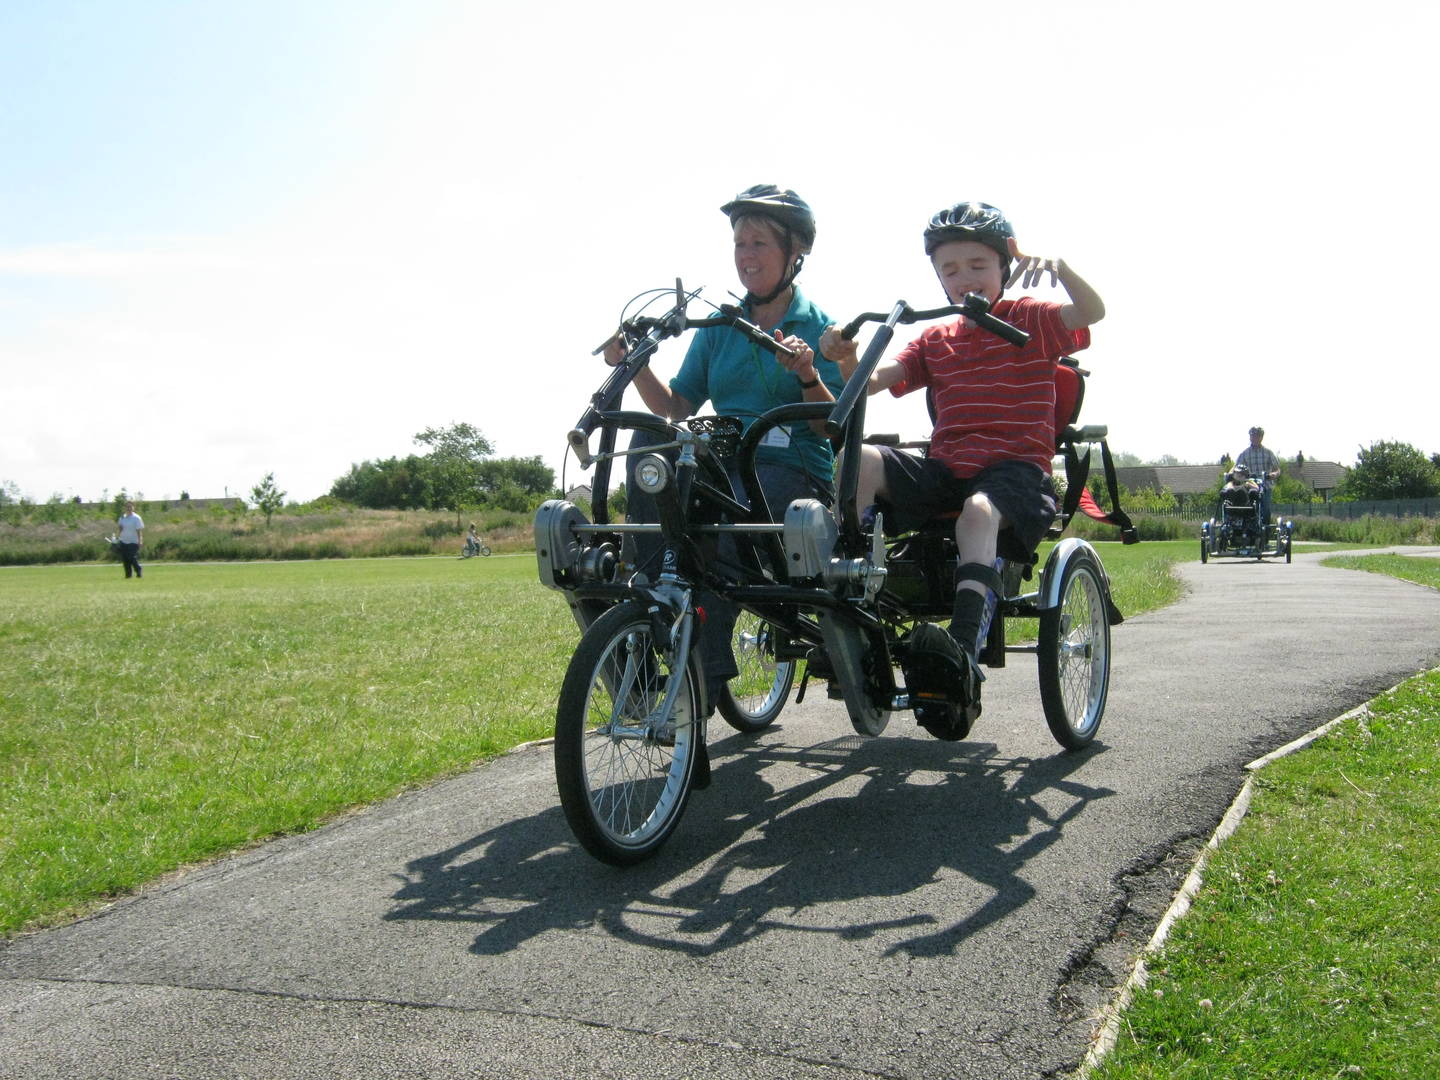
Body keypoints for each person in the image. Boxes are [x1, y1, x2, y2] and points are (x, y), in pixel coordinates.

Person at [820, 201, 1104, 727]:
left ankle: (963, 652)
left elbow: (1093, 312)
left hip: (1016, 474)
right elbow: (872, 381)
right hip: (946, 469)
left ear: (1005, 267)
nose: (963, 277)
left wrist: (1060, 268)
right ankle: (851, 605)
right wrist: (843, 356)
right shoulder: (938, 339)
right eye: (949, 269)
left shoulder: (1032, 320)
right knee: (857, 458)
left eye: (977, 264)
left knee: (978, 510)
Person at [602, 184, 845, 707]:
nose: (746, 256)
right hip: (726, 465)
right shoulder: (719, 325)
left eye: (758, 243)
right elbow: (677, 407)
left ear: (795, 252)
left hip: (792, 467)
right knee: (650, 438)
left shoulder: (820, 328)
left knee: (714, 535)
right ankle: (648, 614)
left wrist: (806, 373)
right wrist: (637, 364)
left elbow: (832, 427)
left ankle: (703, 677)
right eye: (739, 243)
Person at [1236, 425, 1280, 527]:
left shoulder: (1268, 453)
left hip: (1265, 485)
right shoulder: (1244, 453)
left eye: (1257, 436)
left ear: (1261, 437)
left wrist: (1273, 474)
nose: (1255, 438)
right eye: (1253, 436)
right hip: (1249, 485)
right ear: (1250, 437)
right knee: (1244, 507)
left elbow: (1277, 468)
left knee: (1266, 510)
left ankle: (1265, 533)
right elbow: (1236, 468)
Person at [1218, 465, 1261, 541]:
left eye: (1242, 473)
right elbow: (1225, 489)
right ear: (1234, 474)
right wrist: (1227, 490)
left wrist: (1247, 484)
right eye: (1237, 473)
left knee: (1246, 491)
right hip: (1232, 508)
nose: (1239, 475)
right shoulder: (1230, 484)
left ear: (1246, 475)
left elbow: (1257, 489)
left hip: (1247, 509)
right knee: (1231, 491)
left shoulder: (1249, 482)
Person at [116, 500, 144, 579]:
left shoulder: (136, 518)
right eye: (127, 507)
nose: (129, 508)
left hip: (133, 541)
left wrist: (140, 541)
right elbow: (120, 529)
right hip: (124, 541)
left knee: (132, 557)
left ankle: (138, 570)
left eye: (130, 507)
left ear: (133, 507)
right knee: (125, 559)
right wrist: (117, 538)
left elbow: (139, 531)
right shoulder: (122, 518)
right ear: (125, 508)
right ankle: (128, 575)